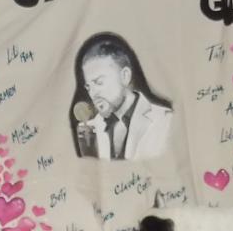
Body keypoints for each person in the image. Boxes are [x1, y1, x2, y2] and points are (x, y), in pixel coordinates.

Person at [69, 32, 173, 160]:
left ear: (125, 76)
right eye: (88, 87)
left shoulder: (165, 120)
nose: (93, 93)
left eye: (99, 82)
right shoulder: (90, 130)